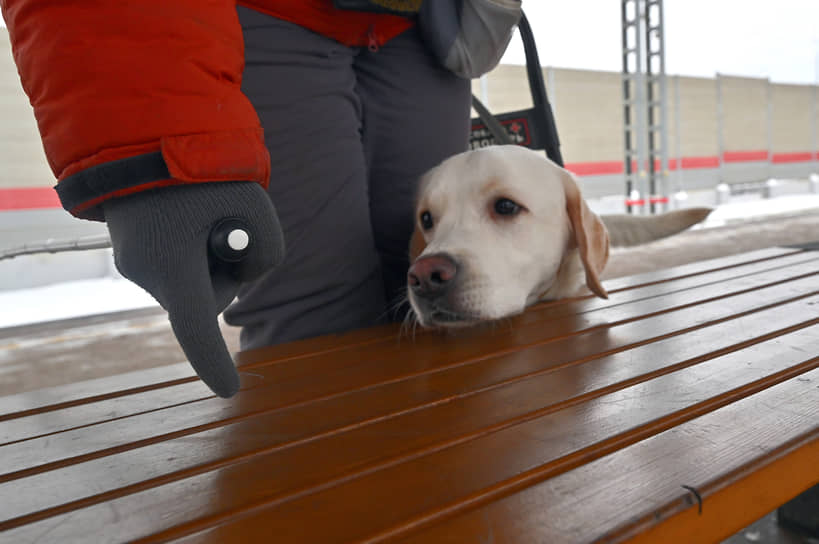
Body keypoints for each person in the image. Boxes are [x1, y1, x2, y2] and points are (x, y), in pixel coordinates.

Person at [0, 1, 472, 397]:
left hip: (425, 27)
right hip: (258, 14)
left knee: (439, 297)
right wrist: (156, 148)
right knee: (319, 337)